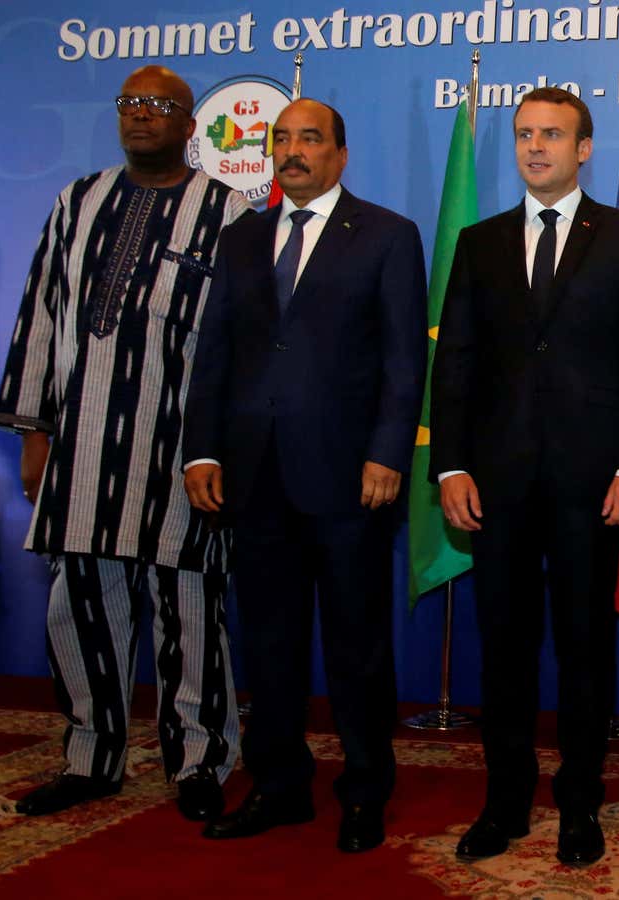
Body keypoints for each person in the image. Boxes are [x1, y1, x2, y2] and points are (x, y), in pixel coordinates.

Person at [0, 64, 247, 823]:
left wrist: (222, 450)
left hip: (180, 453)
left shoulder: (227, 212)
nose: (141, 117)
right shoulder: (79, 202)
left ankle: (199, 760)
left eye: (159, 106)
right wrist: (34, 434)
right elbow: (41, 314)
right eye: (130, 104)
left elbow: (237, 345)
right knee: (81, 608)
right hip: (79, 447)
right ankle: (91, 756)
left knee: (191, 612)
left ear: (188, 122)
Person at [429, 86, 619, 867]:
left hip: (593, 483)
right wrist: (452, 464)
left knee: (583, 645)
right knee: (503, 645)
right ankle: (504, 801)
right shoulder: (480, 241)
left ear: (584, 148)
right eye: (526, 134)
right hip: (495, 484)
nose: (536, 147)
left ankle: (579, 803)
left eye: (554, 135)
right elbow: (455, 363)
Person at [182, 99, 426, 853]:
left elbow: (401, 359)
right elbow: (215, 350)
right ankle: (279, 785)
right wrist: (202, 450)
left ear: (340, 155)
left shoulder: (386, 234)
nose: (292, 152)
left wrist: (387, 452)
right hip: (253, 477)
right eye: (280, 139)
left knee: (356, 643)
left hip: (352, 480)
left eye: (308, 140)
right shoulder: (243, 238)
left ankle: (363, 789)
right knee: (269, 643)